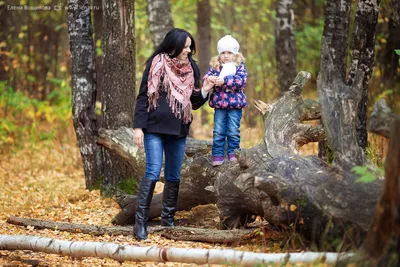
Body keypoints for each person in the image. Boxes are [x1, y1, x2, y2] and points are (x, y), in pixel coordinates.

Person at [132, 28, 213, 241]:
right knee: (152, 171)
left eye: (189, 46)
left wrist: (204, 90)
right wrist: (138, 127)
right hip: (154, 128)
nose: (189, 50)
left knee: (174, 176)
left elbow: (193, 103)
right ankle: (140, 222)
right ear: (174, 46)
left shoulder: (191, 67)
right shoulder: (156, 63)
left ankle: (168, 220)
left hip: (178, 129)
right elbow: (143, 96)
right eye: (185, 46)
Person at [203, 35, 248, 166]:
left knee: (233, 130)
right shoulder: (216, 67)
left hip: (235, 105)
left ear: (235, 54)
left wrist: (225, 81)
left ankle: (233, 153)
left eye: (229, 52)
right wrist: (211, 79)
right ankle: (217, 155)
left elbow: (241, 82)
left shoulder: (239, 67)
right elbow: (207, 77)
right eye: (223, 53)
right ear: (219, 54)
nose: (226, 56)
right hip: (220, 105)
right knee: (218, 130)